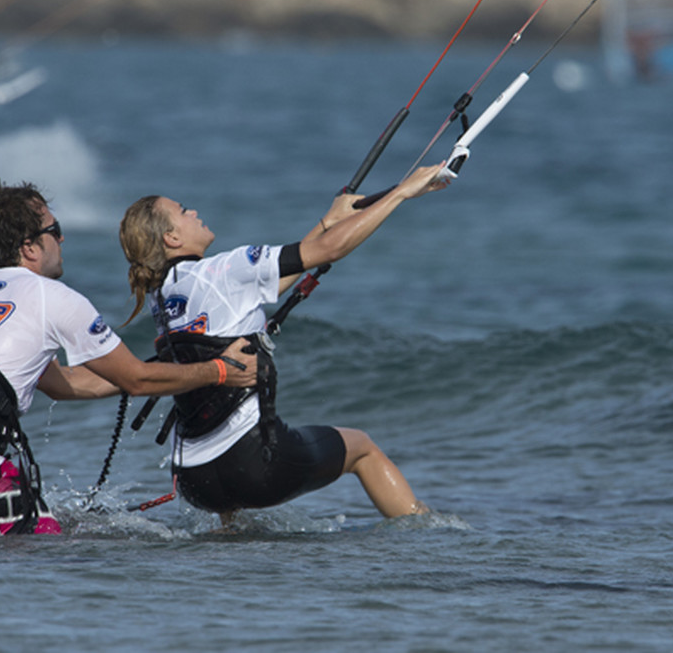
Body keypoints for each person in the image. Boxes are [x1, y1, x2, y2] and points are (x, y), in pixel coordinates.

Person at [0, 182, 258, 534]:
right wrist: (220, 370)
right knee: (61, 562)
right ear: (29, 247)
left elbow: (65, 384)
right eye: (54, 231)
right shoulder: (49, 295)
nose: (62, 238)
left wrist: (175, 370)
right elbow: (136, 381)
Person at [118, 164, 449, 526]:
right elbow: (330, 251)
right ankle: (429, 534)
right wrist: (402, 192)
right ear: (172, 239)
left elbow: (274, 280)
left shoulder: (162, 295)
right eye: (183, 211)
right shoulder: (225, 269)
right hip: (253, 464)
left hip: (196, 481)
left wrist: (328, 220)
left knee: (234, 519)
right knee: (363, 449)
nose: (193, 211)